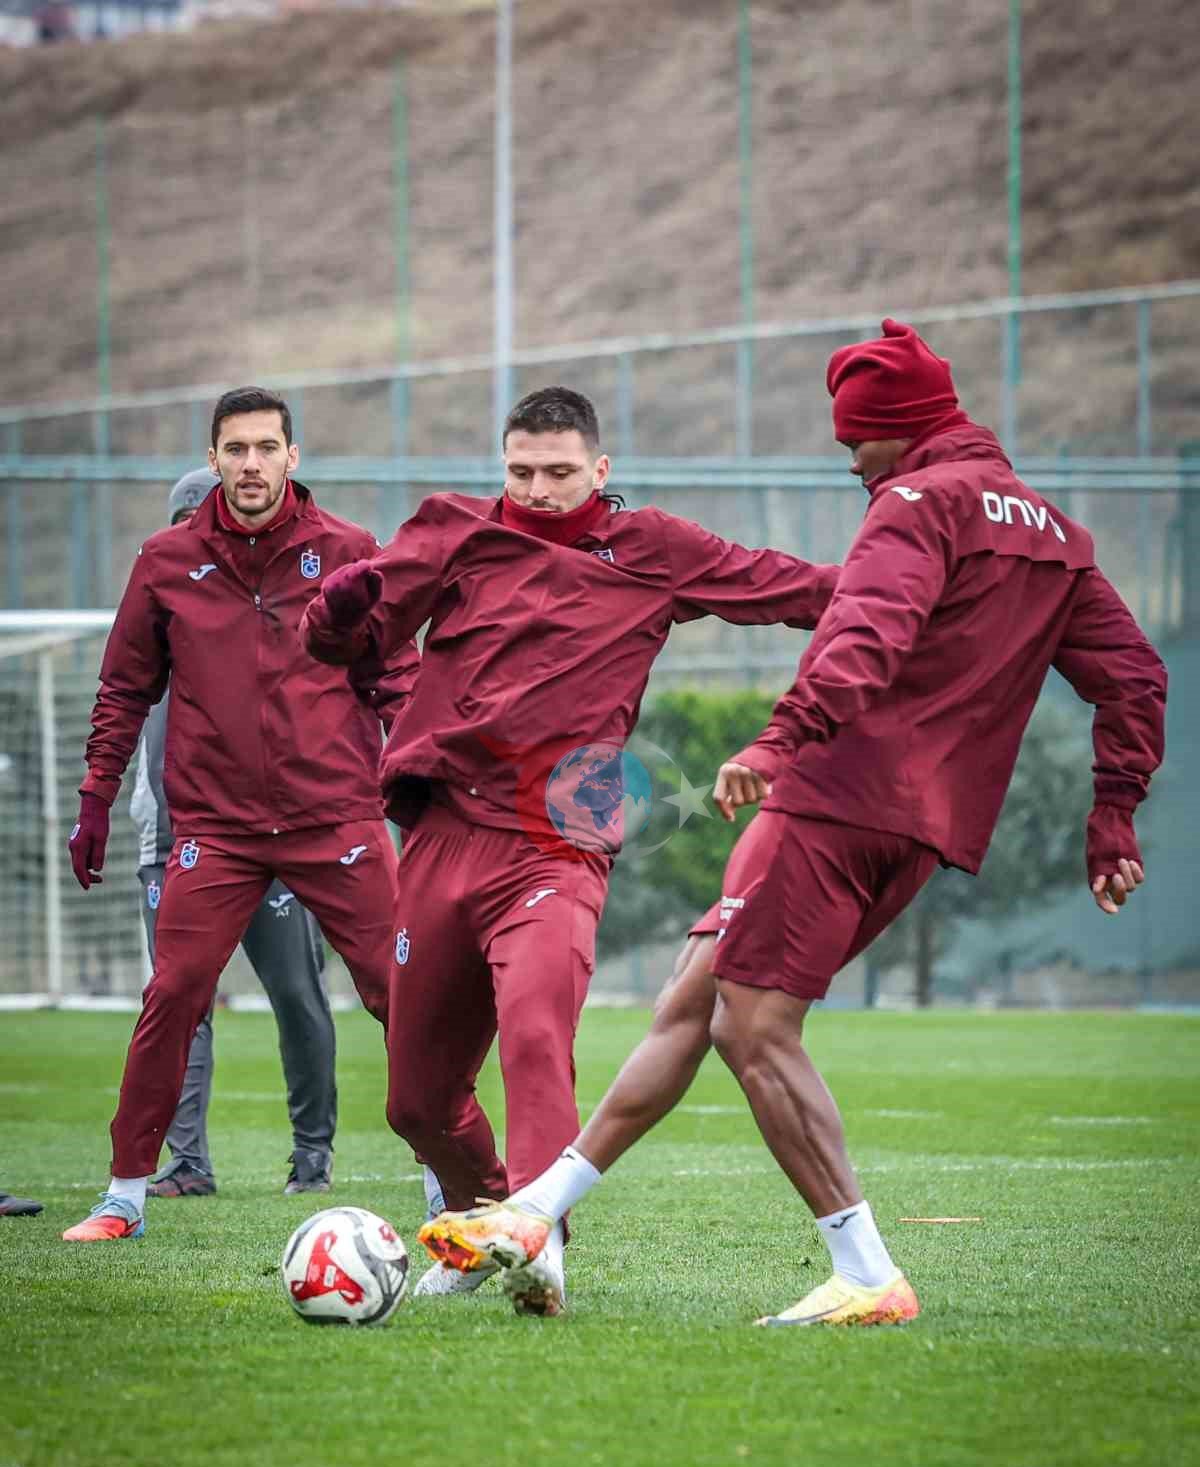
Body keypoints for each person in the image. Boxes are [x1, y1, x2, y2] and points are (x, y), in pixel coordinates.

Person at [417, 322, 1168, 1326]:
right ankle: (533, 1213)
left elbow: (866, 632)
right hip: (926, 824)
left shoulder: (915, 503)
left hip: (837, 796)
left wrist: (781, 739)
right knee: (692, 1002)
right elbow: (1137, 677)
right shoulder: (1055, 534)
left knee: (752, 1025)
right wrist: (1113, 813)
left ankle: (865, 1270)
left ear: (901, 429)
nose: (850, 459)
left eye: (856, 439)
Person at [301, 385, 840, 1314]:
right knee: (416, 1103)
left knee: (537, 1033)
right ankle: (484, 1223)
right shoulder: (453, 531)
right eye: (521, 472)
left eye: (558, 472)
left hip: (558, 843)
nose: (539, 490)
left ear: (601, 469)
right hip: (445, 835)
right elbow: (338, 644)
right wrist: (337, 610)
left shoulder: (654, 548)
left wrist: (918, 591)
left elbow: (792, 588)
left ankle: (538, 1240)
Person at [62, 386, 419, 1243]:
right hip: (215, 831)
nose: (251, 464)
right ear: (213, 459)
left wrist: (421, 783)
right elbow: (123, 690)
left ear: (292, 456)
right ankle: (124, 1197)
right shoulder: (165, 561)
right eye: (235, 449)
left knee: (404, 993)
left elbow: (397, 677)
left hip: (336, 818)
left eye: (266, 448)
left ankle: (452, 1180)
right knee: (173, 994)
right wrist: (96, 798)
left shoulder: (348, 550)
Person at [130, 468, 340, 1199]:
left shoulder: (284, 614)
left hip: (279, 839)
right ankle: (188, 1163)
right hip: (172, 846)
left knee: (298, 995)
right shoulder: (155, 607)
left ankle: (312, 1155)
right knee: (180, 1004)